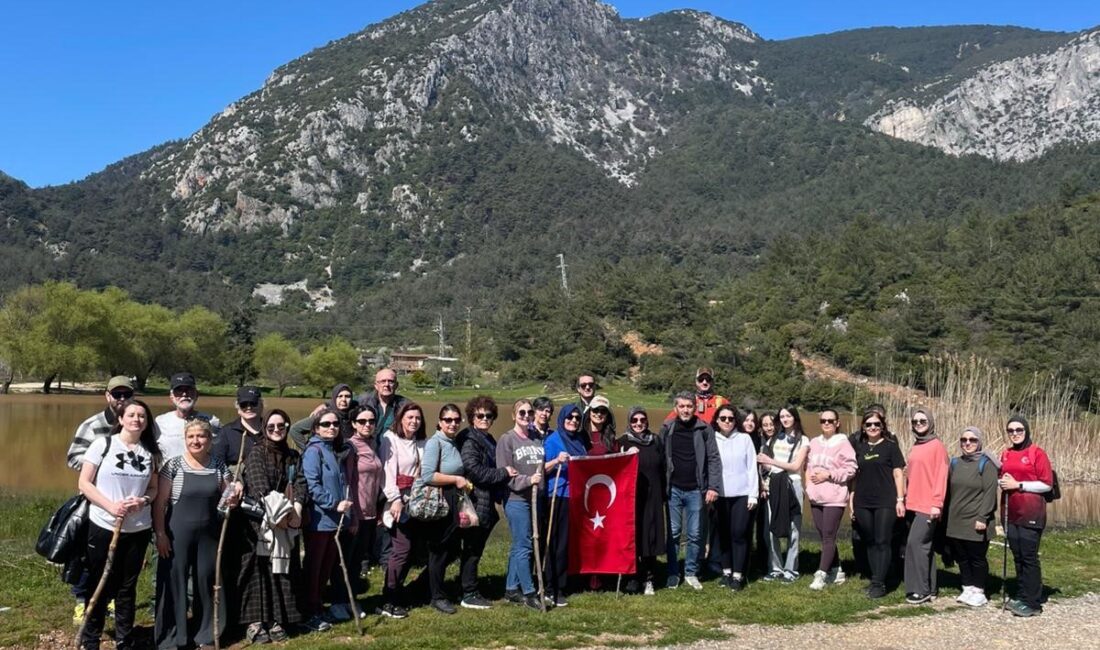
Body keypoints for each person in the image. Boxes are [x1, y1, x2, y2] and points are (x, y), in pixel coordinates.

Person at [77, 399, 161, 650]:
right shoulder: (102, 445)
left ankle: (124, 639)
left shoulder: (151, 453)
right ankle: (91, 639)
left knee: (127, 586)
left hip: (137, 527)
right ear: (121, 419)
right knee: (99, 581)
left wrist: (143, 500)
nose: (137, 419)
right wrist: (109, 506)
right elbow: (84, 483)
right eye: (132, 415)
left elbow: (154, 488)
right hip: (103, 524)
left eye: (142, 416)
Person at [153, 419, 238, 650]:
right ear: (185, 439)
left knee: (207, 580)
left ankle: (206, 635)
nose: (196, 441)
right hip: (176, 533)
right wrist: (160, 534)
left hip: (209, 535)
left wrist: (232, 498)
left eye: (201, 436)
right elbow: (160, 504)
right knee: (174, 582)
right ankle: (172, 638)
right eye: (191, 437)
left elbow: (227, 500)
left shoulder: (219, 466)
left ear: (210, 440)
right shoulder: (173, 466)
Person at [66, 375, 133, 624]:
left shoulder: (139, 424)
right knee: (88, 555)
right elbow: (72, 457)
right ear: (108, 396)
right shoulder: (91, 425)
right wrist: (100, 467)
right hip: (93, 501)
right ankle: (82, 602)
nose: (122, 399)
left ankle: (110, 598)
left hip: (125, 505)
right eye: (117, 395)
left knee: (117, 555)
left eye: (127, 394)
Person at [237, 409, 307, 643]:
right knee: (259, 574)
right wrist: (282, 514)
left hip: (287, 523)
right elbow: (260, 488)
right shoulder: (256, 454)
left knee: (282, 572)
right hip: (259, 524)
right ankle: (255, 621)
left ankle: (279, 618)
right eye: (271, 427)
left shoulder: (293, 456)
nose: (277, 430)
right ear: (265, 429)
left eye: (281, 426)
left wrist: (296, 509)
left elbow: (300, 483)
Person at [456, 396, 517, 609]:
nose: (484, 419)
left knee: (475, 549)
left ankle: (464, 586)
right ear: (471, 417)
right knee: (471, 549)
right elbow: (473, 470)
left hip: (485, 502)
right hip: (473, 503)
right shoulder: (469, 439)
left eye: (488, 416)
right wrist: (503, 473)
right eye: (479, 415)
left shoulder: (488, 439)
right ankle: (469, 592)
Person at [660, 391, 722, 590]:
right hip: (674, 490)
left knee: (696, 534)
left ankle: (691, 572)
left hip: (697, 490)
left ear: (695, 408)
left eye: (689, 406)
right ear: (675, 408)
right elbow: (659, 457)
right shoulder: (667, 428)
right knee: (674, 533)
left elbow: (713, 458)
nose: (685, 410)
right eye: (682, 406)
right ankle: (672, 572)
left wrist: (713, 486)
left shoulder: (704, 429)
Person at [301, 409, 354, 631]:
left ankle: (318, 605)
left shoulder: (333, 449)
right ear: (316, 428)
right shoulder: (314, 451)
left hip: (335, 521)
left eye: (334, 424)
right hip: (319, 520)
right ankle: (308, 611)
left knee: (326, 567)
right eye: (325, 424)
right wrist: (334, 503)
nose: (331, 427)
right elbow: (313, 486)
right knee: (314, 567)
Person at [331, 404, 383, 621]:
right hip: (355, 515)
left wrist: (379, 509)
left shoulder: (373, 444)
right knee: (345, 561)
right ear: (353, 424)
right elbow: (347, 482)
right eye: (362, 421)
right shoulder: (350, 447)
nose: (367, 425)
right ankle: (338, 602)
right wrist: (351, 517)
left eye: (371, 421)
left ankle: (351, 599)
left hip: (370, 514)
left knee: (357, 562)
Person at [998, 415, 1054, 617]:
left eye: (1018, 430)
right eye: (1011, 431)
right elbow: (1003, 478)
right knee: (1018, 555)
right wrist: (1002, 482)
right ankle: (1022, 595)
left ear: (1026, 430)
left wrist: (1018, 485)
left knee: (1029, 557)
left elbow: (1046, 483)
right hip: (1010, 512)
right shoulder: (1006, 454)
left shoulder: (1036, 453)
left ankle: (1033, 603)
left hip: (1031, 511)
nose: (1015, 434)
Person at [498, 400, 551, 609]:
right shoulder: (507, 440)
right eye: (522, 412)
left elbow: (538, 470)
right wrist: (528, 481)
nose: (526, 415)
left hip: (535, 499)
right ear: (513, 415)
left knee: (520, 544)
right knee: (524, 546)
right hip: (516, 499)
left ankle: (511, 589)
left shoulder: (537, 438)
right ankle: (529, 592)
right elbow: (506, 473)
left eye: (530, 412)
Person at [849, 410, 906, 599]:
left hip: (885, 501)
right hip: (863, 502)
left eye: (877, 424)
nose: (873, 427)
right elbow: (855, 478)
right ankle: (876, 578)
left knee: (882, 541)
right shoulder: (860, 448)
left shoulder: (891, 447)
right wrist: (851, 501)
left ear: (882, 427)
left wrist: (900, 500)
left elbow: (898, 474)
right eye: (869, 425)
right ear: (863, 428)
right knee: (871, 541)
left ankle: (879, 584)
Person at [379, 402, 427, 619]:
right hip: (398, 502)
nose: (414, 421)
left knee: (411, 551)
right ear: (400, 419)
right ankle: (387, 597)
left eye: (417, 418)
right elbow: (387, 473)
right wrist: (395, 499)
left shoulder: (423, 442)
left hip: (418, 503)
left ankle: (397, 592)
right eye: (409, 417)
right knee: (401, 550)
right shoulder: (390, 440)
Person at [419, 404, 469, 614]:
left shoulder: (453, 442)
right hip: (439, 499)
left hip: (453, 498)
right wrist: (456, 479)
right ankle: (436, 596)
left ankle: (425, 586)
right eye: (448, 420)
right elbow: (428, 475)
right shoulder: (435, 443)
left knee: (451, 549)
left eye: (456, 420)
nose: (453, 423)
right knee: (439, 550)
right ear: (439, 422)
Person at [945, 426, 998, 608]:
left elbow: (990, 493)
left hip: (976, 518)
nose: (968, 443)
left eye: (972, 440)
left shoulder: (986, 464)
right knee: (962, 556)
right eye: (964, 440)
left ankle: (979, 590)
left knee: (977, 557)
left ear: (979, 442)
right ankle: (967, 587)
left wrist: (982, 517)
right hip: (956, 519)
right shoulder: (955, 463)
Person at [805, 408, 857, 590]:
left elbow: (851, 469)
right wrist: (808, 488)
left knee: (828, 535)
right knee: (824, 536)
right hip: (816, 497)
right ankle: (837, 569)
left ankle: (820, 575)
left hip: (834, 497)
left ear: (837, 423)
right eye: (823, 421)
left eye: (830, 420)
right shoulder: (814, 442)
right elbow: (808, 467)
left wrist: (829, 474)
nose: (826, 423)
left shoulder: (843, 443)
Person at [617, 407, 666, 595]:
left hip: (652, 497)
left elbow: (663, 468)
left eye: (642, 419)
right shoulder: (622, 442)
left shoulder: (655, 441)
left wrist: (663, 494)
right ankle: (632, 577)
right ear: (629, 422)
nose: (639, 423)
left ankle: (649, 578)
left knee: (650, 538)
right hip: (630, 499)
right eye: (634, 420)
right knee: (633, 537)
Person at [757, 406, 809, 583]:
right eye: (782, 416)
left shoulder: (803, 440)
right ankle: (775, 568)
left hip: (792, 483)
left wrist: (770, 461)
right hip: (774, 484)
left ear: (795, 417)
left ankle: (791, 569)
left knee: (793, 528)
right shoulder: (774, 439)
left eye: (788, 416)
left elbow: (795, 466)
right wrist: (764, 467)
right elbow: (765, 464)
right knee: (771, 529)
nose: (785, 419)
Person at [903, 408, 949, 605]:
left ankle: (920, 590)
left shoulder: (937, 446)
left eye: (922, 420)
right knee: (924, 547)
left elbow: (941, 475)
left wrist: (937, 504)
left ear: (930, 422)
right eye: (915, 421)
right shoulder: (917, 445)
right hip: (914, 502)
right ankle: (930, 587)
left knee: (916, 544)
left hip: (929, 504)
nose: (919, 423)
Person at [542, 404, 587, 606]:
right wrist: (556, 461)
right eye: (570, 417)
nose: (574, 421)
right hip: (557, 495)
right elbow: (542, 468)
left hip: (575, 497)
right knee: (555, 543)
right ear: (562, 418)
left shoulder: (579, 440)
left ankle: (563, 582)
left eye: (577, 417)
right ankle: (551, 587)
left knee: (567, 543)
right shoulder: (553, 440)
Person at [710, 406, 758, 591]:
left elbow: (751, 467)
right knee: (723, 535)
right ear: (717, 420)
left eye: (731, 418)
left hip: (741, 494)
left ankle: (738, 575)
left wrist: (752, 494)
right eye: (723, 418)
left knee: (738, 534)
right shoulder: (713, 438)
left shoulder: (744, 439)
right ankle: (726, 572)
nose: (727, 421)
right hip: (720, 495)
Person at [154, 372, 221, 461]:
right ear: (171, 396)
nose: (184, 394)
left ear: (197, 395)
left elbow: (221, 452)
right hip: (168, 474)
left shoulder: (212, 421)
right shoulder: (159, 422)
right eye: (179, 391)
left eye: (188, 390)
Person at [213, 386, 264, 472]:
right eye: (243, 404)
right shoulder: (226, 432)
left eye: (253, 403)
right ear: (238, 408)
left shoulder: (272, 429)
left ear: (261, 404)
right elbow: (217, 464)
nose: (249, 407)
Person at [291, 384, 356, 451]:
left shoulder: (355, 413)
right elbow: (295, 430)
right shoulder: (324, 415)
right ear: (334, 398)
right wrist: (309, 449)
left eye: (347, 396)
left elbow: (363, 398)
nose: (344, 399)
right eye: (340, 396)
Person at [358, 368, 409, 446]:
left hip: (393, 451)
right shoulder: (362, 402)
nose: (386, 385)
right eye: (383, 381)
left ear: (396, 385)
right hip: (365, 450)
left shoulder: (406, 406)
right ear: (376, 385)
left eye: (391, 381)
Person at [665, 368, 730, 425]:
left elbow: (734, 421)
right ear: (696, 382)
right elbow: (668, 422)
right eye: (701, 379)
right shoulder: (688, 401)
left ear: (712, 382)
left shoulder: (722, 401)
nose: (704, 382)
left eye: (708, 379)